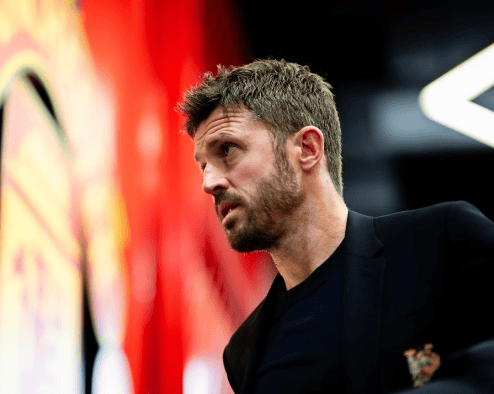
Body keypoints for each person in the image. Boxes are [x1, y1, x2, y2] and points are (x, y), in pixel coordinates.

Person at [176, 59, 494, 393]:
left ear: (308, 149)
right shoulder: (243, 352)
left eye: (227, 150)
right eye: (203, 166)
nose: (209, 183)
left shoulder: (440, 243)